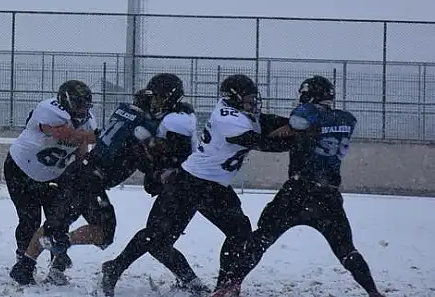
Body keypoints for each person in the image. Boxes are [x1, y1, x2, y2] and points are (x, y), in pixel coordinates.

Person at [96, 74, 291, 297]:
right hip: (194, 182)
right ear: (233, 99)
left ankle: (220, 286)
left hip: (204, 183)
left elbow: (265, 122)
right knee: (159, 237)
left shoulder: (230, 112)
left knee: (232, 232)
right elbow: (264, 143)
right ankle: (215, 284)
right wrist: (299, 139)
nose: (252, 103)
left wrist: (295, 124)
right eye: (247, 99)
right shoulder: (228, 120)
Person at [210, 76, 386, 297]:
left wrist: (267, 135)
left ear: (309, 95)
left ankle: (231, 284)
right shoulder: (347, 119)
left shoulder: (307, 114)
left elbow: (295, 125)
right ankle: (374, 292)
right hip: (329, 195)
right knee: (347, 250)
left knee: (262, 237)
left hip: (299, 190)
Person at [95, 73, 210, 296]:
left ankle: (115, 267)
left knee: (155, 238)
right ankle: (190, 281)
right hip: (183, 187)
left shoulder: (177, 121)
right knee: (158, 240)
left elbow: (175, 156)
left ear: (171, 97)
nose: (155, 101)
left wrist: (148, 143)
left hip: (184, 185)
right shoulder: (173, 116)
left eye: (159, 97)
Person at [2, 80, 98, 284]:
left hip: (55, 174)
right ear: (66, 101)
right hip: (21, 169)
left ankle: (57, 265)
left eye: (85, 105)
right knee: (29, 219)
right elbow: (66, 134)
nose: (82, 109)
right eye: (78, 104)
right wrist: (99, 137)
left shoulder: (88, 122)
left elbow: (81, 149)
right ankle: (23, 261)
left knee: (58, 220)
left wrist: (83, 167)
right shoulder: (49, 109)